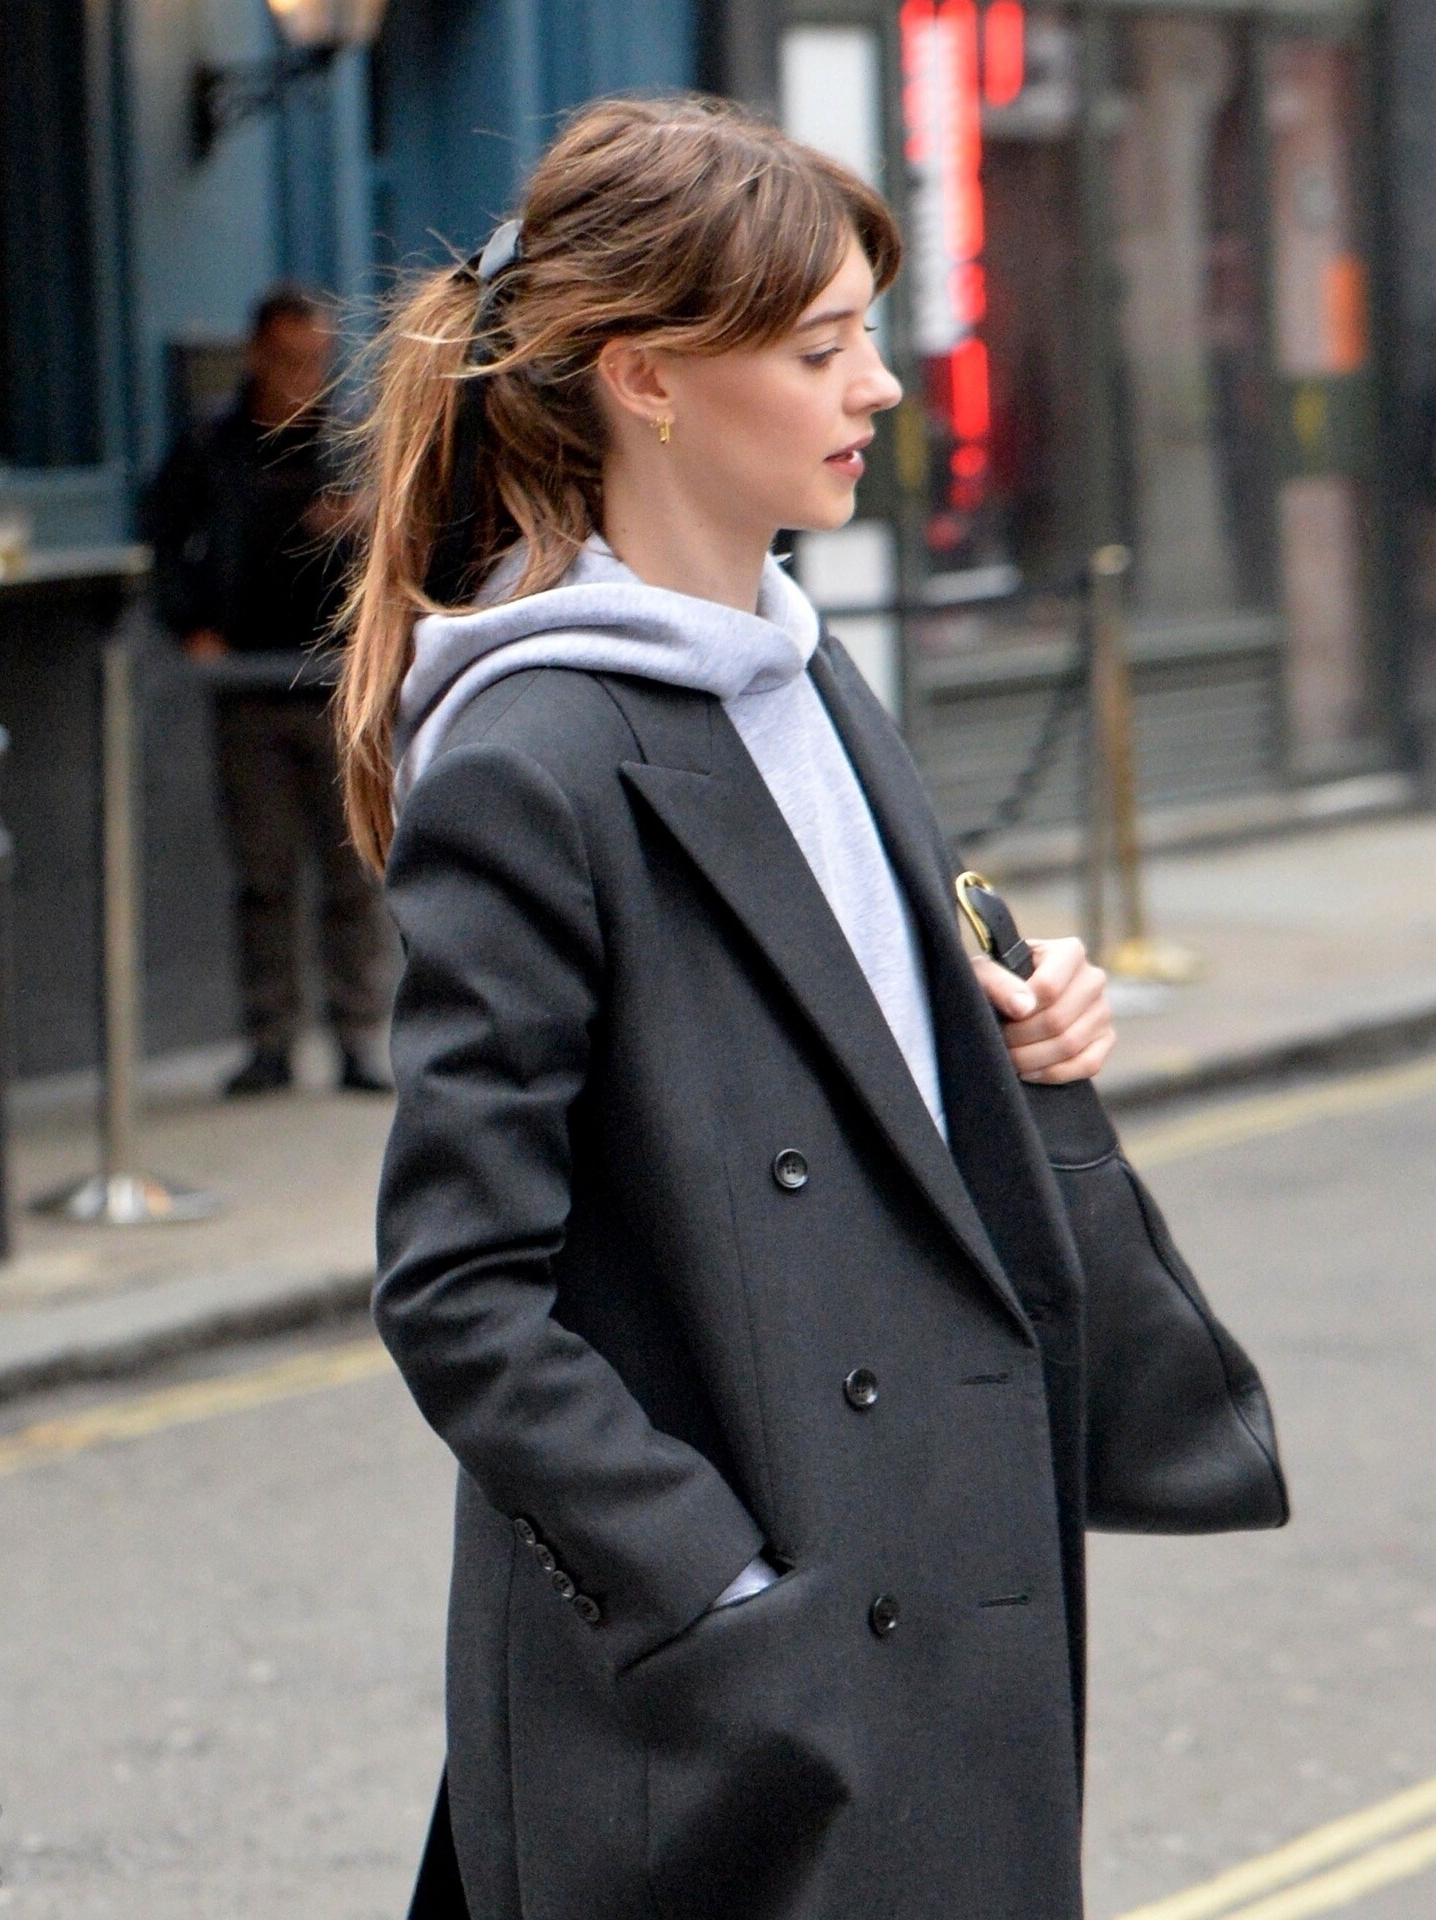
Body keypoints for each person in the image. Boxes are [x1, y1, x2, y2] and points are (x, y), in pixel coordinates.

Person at [338, 98, 1118, 1920]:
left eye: (869, 339)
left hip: (945, 1591)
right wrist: (717, 1594)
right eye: (822, 348)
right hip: (747, 1695)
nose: (879, 389)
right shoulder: (532, 756)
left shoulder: (807, 675)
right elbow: (458, 1289)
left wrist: (1013, 1041)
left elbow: (844, 1082)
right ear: (649, 378)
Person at [146, 285, 390, 1097]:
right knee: (263, 874)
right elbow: (164, 536)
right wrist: (191, 625)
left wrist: (360, 524)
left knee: (352, 872)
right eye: (288, 361)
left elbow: (404, 532)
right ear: (256, 355)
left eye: (315, 361)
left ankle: (358, 1034)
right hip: (248, 682)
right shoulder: (213, 441)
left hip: (338, 683)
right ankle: (271, 1039)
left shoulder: (349, 433)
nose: (302, 378)